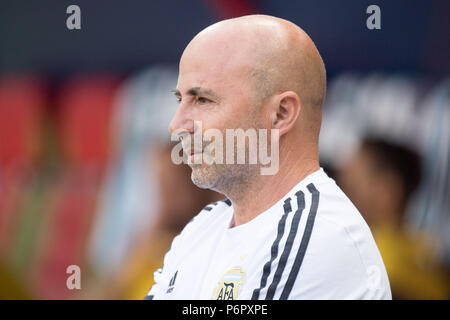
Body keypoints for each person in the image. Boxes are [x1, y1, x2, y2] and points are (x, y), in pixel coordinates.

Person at [145, 14, 391, 300]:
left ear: (281, 114)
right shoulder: (204, 226)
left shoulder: (318, 233)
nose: (176, 125)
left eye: (202, 100)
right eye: (180, 100)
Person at [338, 137, 450, 299]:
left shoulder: (375, 264)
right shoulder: (427, 246)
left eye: (352, 187)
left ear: (388, 189)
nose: (341, 194)